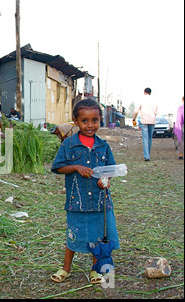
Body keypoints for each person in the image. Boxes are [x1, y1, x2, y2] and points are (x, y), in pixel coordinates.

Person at [50, 98, 120, 285]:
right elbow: (57, 167)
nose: (90, 125)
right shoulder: (68, 145)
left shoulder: (103, 146)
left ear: (100, 120)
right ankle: (66, 268)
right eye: (85, 121)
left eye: (95, 120)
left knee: (98, 236)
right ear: (76, 121)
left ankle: (96, 269)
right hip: (76, 200)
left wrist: (106, 180)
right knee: (74, 234)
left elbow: (111, 169)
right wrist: (75, 167)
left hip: (99, 201)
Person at [132, 88, 158, 161]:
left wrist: (134, 118)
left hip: (144, 120)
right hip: (152, 120)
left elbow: (136, 110)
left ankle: (146, 156)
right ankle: (148, 154)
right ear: (150, 93)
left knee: (145, 138)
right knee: (150, 138)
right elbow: (156, 111)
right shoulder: (154, 100)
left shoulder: (142, 99)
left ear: (144, 92)